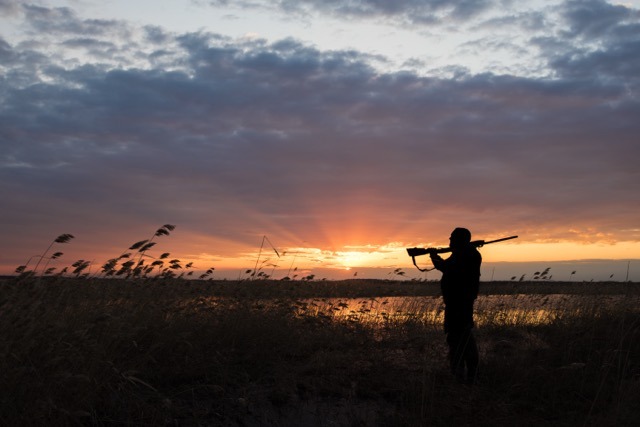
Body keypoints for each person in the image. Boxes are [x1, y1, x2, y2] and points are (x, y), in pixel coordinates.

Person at [430, 227, 481, 385]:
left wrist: (434, 257)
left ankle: (463, 377)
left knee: (459, 338)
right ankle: (464, 375)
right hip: (456, 304)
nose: (450, 241)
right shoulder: (465, 253)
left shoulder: (467, 254)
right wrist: (436, 257)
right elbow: (447, 266)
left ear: (460, 240)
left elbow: (447, 268)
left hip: (460, 304)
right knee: (458, 337)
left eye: (452, 238)